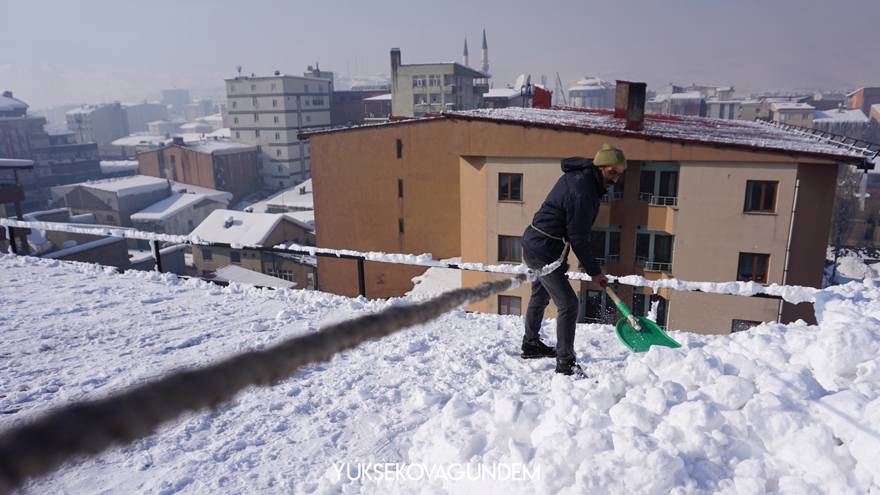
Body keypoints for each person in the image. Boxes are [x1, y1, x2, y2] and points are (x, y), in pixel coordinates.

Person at [520, 144, 627, 376]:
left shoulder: (584, 179)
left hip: (537, 243)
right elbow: (578, 236)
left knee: (540, 294)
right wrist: (594, 272)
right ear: (600, 167)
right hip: (543, 249)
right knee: (568, 304)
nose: (616, 179)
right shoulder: (582, 189)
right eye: (612, 172)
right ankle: (565, 363)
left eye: (619, 173)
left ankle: (530, 344)